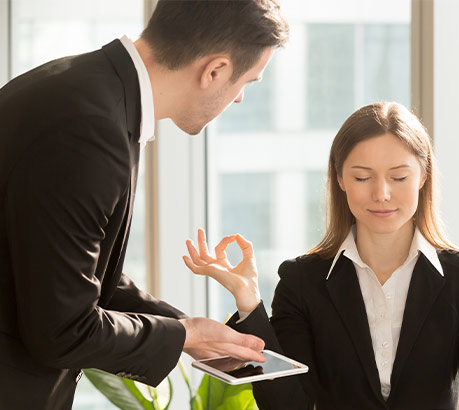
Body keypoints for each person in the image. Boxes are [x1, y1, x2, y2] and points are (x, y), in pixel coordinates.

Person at [183, 102, 459, 409]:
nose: (381, 193)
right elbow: (288, 405)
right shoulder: (303, 279)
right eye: (362, 177)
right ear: (340, 179)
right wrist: (248, 301)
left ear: (423, 176)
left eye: (398, 177)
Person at [0, 1, 289, 409]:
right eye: (247, 82)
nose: (239, 99)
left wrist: (185, 330)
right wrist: (184, 336)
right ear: (215, 71)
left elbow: (69, 267)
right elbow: (62, 329)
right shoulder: (91, 130)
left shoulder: (83, 87)